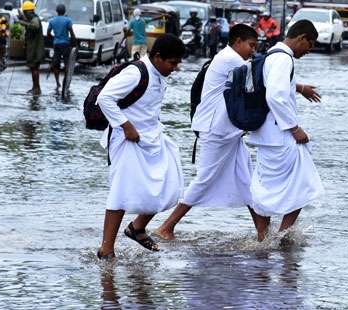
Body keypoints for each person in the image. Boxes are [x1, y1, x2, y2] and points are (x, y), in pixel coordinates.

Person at [154, 24, 261, 241]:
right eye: (251, 45)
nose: (253, 50)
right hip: (217, 130)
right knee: (205, 179)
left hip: (227, 130)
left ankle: (264, 234)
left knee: (247, 180)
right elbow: (261, 76)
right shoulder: (230, 58)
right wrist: (298, 86)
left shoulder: (230, 59)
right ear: (238, 41)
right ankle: (165, 227)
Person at [96, 34, 186, 260]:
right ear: (157, 57)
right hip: (127, 140)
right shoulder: (136, 72)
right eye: (172, 63)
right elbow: (104, 98)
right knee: (121, 193)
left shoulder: (158, 73)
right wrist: (126, 126)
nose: (175, 68)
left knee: (168, 185)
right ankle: (106, 249)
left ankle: (136, 228)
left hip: (151, 137)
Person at [247, 19, 324, 240]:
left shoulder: (271, 55)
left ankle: (264, 237)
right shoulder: (284, 59)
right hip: (280, 135)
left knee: (265, 186)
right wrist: (294, 128)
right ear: (301, 38)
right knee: (305, 184)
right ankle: (281, 235)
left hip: (265, 134)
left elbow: (274, 87)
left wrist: (299, 88)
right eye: (309, 45)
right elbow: (275, 95)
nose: (308, 51)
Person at [18, 1, 45, 96]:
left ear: (28, 12)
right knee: (33, 68)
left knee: (34, 69)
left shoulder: (35, 20)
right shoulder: (33, 19)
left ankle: (37, 89)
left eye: (25, 13)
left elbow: (35, 26)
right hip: (34, 49)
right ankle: (35, 87)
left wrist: (23, 23)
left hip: (35, 50)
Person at [47, 4, 76, 90]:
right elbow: (71, 32)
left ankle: (58, 83)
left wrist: (54, 38)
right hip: (65, 44)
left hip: (56, 44)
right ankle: (65, 81)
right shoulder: (68, 20)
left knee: (56, 64)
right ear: (64, 11)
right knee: (67, 63)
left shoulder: (52, 21)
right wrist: (74, 42)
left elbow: (48, 33)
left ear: (57, 11)